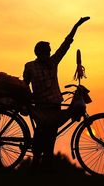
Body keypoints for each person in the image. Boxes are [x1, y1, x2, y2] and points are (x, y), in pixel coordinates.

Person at [23, 17, 90, 172]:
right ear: (39, 53)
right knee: (40, 136)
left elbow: (65, 45)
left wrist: (76, 26)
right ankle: (36, 164)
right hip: (41, 108)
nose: (49, 54)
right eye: (46, 52)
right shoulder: (30, 66)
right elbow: (25, 85)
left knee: (50, 137)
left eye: (49, 52)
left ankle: (45, 167)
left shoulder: (53, 62)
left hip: (54, 106)